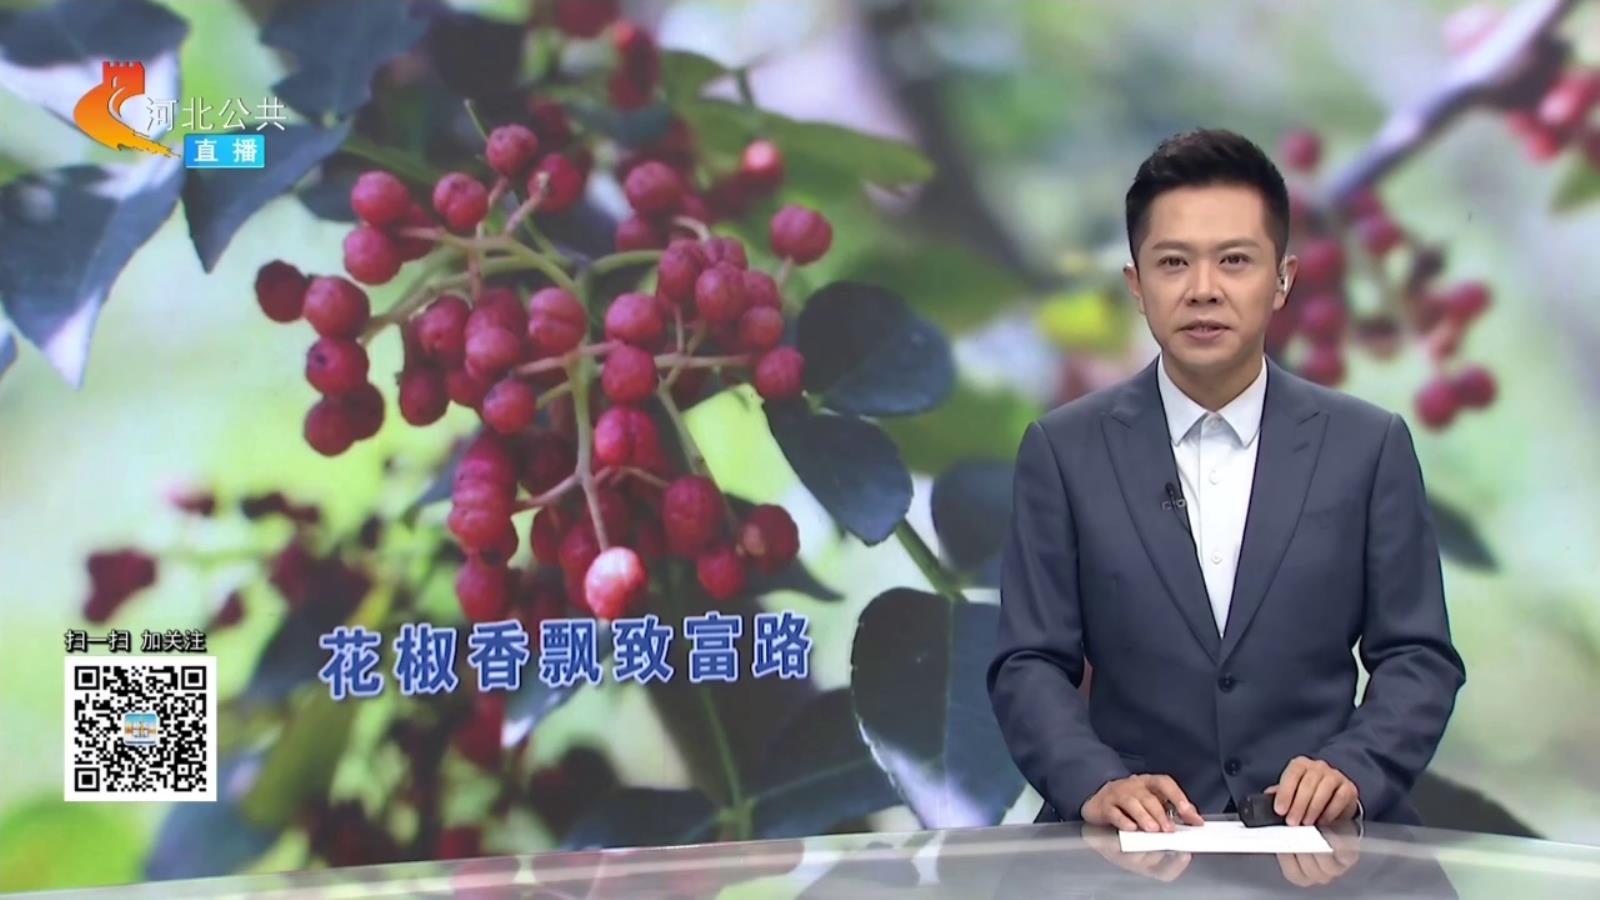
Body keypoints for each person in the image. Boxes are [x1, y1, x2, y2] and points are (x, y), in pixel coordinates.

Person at [987, 128, 1466, 833]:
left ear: (1284, 280)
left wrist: (1353, 769)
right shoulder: (1063, 451)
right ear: (1137, 285)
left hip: (1325, 846)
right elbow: (1028, 660)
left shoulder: (1368, 446)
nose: (1203, 290)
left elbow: (1418, 655)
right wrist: (1094, 782)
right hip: (1127, 848)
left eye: (1235, 261)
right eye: (1173, 263)